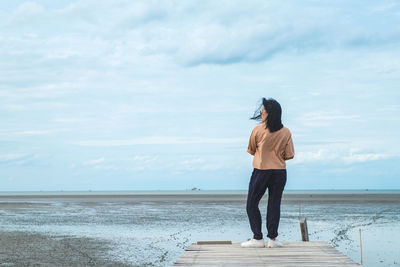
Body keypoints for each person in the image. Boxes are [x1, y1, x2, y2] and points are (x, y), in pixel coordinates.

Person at [241, 97, 295, 248]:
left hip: (261, 170)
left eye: (263, 111)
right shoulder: (286, 132)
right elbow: (290, 155)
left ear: (269, 113)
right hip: (279, 172)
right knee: (274, 204)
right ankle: (272, 239)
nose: (260, 112)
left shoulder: (257, 130)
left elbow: (251, 150)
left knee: (252, 203)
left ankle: (257, 239)